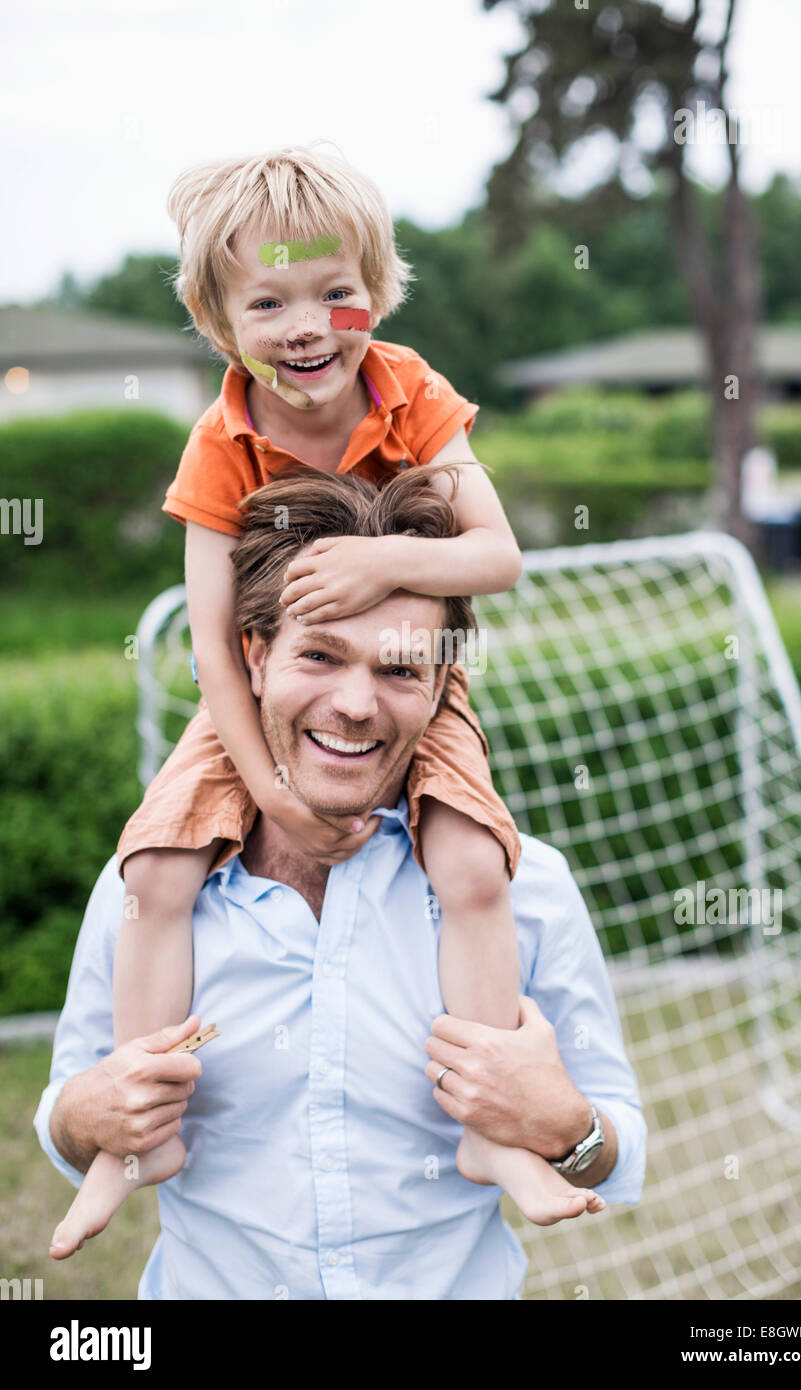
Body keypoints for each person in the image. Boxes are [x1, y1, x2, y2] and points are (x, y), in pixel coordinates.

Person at [49, 143, 589, 1255]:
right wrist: (266, 790)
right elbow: (210, 643)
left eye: (334, 292)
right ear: (216, 317)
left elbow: (494, 558)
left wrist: (375, 566)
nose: (307, 324)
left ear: (376, 293)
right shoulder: (220, 441)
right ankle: (136, 1132)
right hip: (248, 702)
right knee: (152, 871)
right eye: (269, 299)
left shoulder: (409, 392)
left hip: (413, 678)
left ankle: (493, 1130)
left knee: (475, 861)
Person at [35, 468, 646, 1300]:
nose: (355, 704)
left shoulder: (520, 885)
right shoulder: (152, 885)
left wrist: (568, 1127)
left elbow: (619, 1150)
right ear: (252, 658)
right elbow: (64, 1116)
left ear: (440, 686)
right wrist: (83, 1118)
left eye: (399, 671)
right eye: (320, 654)